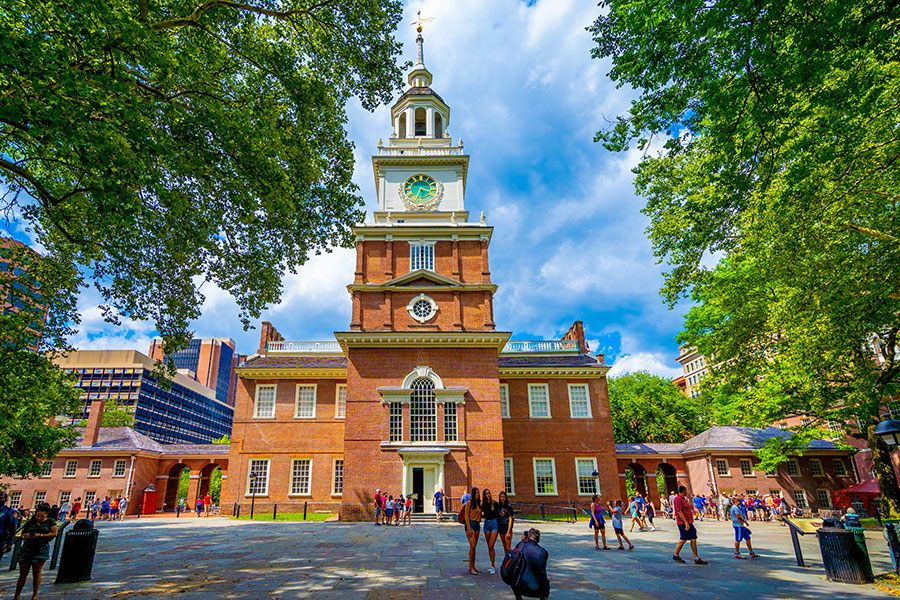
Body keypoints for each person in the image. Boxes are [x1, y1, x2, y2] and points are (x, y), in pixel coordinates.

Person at [13, 503, 57, 600]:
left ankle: (34, 596)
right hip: (27, 549)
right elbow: (22, 534)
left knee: (37, 572)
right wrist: (26, 536)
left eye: (42, 516)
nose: (39, 518)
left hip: (40, 549)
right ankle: (16, 596)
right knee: (23, 573)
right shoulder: (31, 522)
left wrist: (40, 535)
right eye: (38, 516)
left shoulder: (50, 522)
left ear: (47, 514)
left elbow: (54, 534)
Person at [510, 528, 550, 600]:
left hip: (522, 588)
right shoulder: (544, 552)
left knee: (514, 577)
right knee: (546, 581)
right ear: (538, 539)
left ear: (527, 537)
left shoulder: (521, 546)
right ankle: (543, 598)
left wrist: (522, 542)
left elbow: (513, 555)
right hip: (539, 589)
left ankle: (518, 598)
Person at [673, 485, 707, 565]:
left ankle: (696, 557)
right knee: (683, 539)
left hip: (688, 522)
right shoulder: (678, 499)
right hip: (683, 523)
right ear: (683, 491)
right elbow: (679, 511)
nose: (687, 492)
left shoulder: (683, 499)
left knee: (693, 538)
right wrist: (685, 522)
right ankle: (676, 554)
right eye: (686, 491)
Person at [481, 489, 500, 574]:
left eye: (489, 493)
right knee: (489, 546)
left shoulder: (495, 503)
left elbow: (500, 513)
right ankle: (492, 565)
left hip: (494, 523)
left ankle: (493, 566)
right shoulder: (483, 505)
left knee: (491, 545)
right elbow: (481, 514)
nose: (488, 495)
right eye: (486, 494)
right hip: (486, 524)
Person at [463, 487, 482, 575]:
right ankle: (471, 568)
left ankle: (473, 566)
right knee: (473, 545)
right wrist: (469, 528)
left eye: (478, 493)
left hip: (477, 525)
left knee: (474, 547)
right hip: (470, 525)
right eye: (476, 493)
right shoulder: (469, 503)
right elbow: (466, 516)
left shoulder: (478, 504)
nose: (477, 494)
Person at [0, 491, 16, 566]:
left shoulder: (10, 512)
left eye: (1, 497)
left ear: (6, 499)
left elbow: (13, 528)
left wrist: (10, 543)